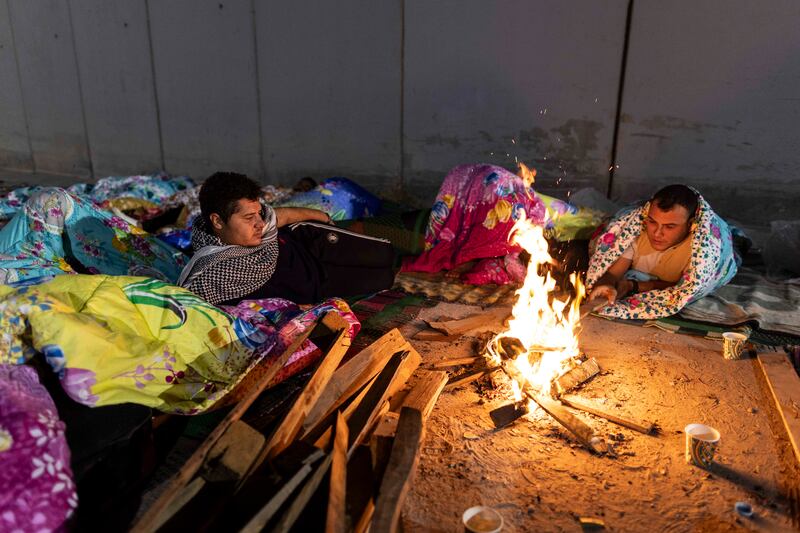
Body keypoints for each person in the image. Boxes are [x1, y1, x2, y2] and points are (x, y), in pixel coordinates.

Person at [178, 172, 395, 305]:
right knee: (387, 279)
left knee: (388, 254)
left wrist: (322, 217)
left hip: (313, 244)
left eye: (258, 214)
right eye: (248, 218)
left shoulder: (256, 226)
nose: (261, 224)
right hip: (320, 288)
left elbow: (280, 216)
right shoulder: (209, 280)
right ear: (217, 221)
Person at [589, 184, 702, 303]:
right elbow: (612, 275)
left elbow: (686, 289)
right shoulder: (635, 235)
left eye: (669, 226)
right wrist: (607, 286)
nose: (657, 233)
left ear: (690, 224)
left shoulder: (697, 251)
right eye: (652, 222)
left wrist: (634, 286)